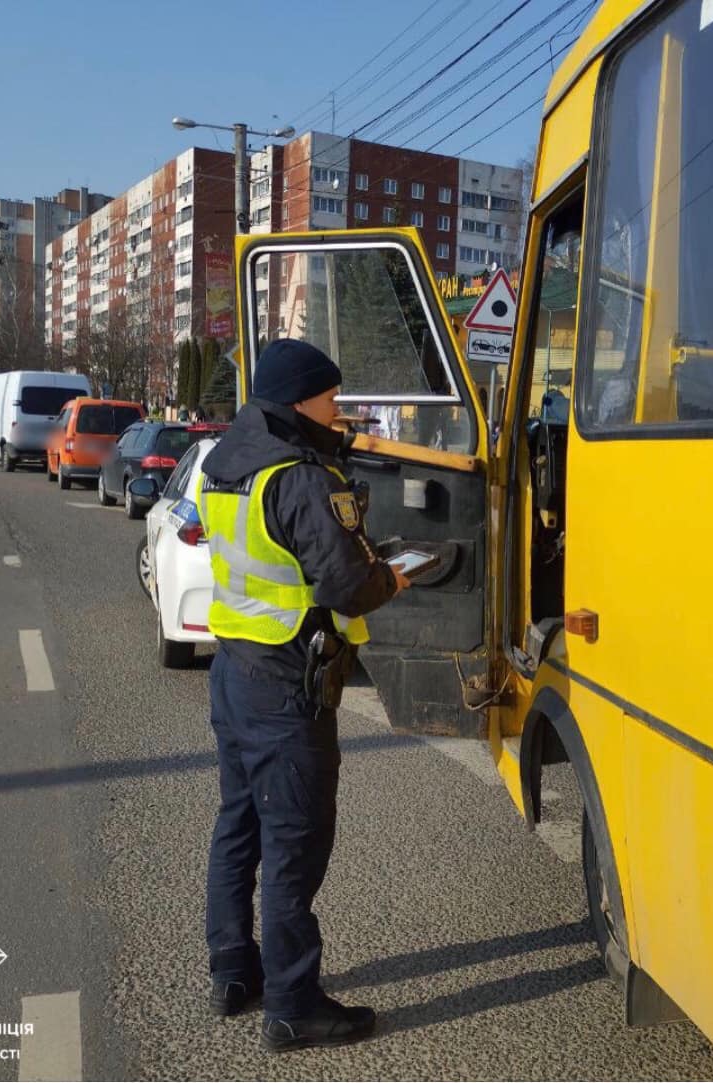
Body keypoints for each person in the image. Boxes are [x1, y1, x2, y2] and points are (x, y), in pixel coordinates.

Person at [195, 338, 410, 1053]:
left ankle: (234, 970)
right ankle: (291, 1005)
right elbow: (347, 582)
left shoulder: (225, 458)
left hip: (232, 671)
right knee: (294, 842)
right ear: (299, 402)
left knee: (239, 826)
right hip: (288, 681)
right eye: (330, 398)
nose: (338, 409)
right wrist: (391, 578)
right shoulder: (300, 475)